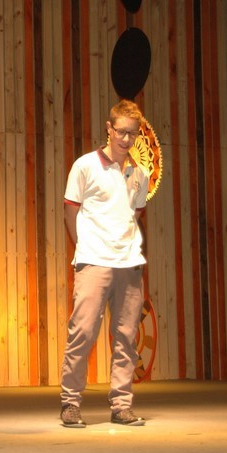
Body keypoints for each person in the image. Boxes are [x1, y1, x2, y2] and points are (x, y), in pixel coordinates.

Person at [59, 99, 149, 429]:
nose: (126, 139)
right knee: (82, 333)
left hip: (129, 264)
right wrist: (86, 246)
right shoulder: (85, 166)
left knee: (127, 337)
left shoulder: (140, 174)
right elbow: (70, 211)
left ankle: (121, 405)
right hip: (93, 261)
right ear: (109, 129)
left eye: (132, 134)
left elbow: (133, 215)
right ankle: (70, 403)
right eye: (121, 132)